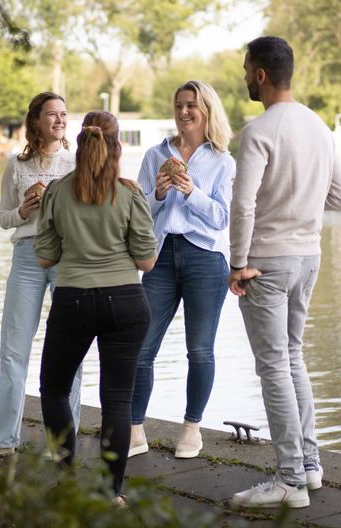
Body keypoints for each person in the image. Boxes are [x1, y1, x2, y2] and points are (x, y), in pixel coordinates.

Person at [227, 36, 341, 509]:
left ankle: (289, 481)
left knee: (274, 366)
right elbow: (339, 198)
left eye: (245, 70)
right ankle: (310, 467)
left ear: (260, 75)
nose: (244, 77)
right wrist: (300, 202)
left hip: (267, 262)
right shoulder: (320, 127)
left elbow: (243, 204)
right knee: (292, 357)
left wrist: (237, 263)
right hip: (308, 258)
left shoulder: (259, 131)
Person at [35, 110, 158, 501]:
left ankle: (66, 484)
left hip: (72, 301)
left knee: (54, 391)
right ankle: (111, 494)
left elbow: (45, 257)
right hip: (125, 302)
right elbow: (146, 261)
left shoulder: (57, 191)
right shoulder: (129, 193)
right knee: (117, 401)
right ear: (117, 144)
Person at [0, 92, 84, 461]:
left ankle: (63, 444)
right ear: (35, 121)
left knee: (69, 353)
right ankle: (1, 439)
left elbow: (90, 213)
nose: (60, 120)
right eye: (52, 114)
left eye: (64, 114)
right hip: (27, 257)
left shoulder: (76, 162)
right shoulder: (17, 165)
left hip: (66, 256)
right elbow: (3, 217)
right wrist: (23, 210)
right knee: (13, 350)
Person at [128, 81, 235, 460]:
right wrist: (157, 195)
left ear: (207, 110)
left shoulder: (223, 160)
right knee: (141, 346)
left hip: (205, 257)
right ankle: (135, 429)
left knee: (200, 349)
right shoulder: (156, 154)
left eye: (192, 105)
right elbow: (137, 213)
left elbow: (223, 218)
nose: (184, 111)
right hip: (160, 257)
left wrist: (191, 192)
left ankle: (192, 428)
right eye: (179, 105)